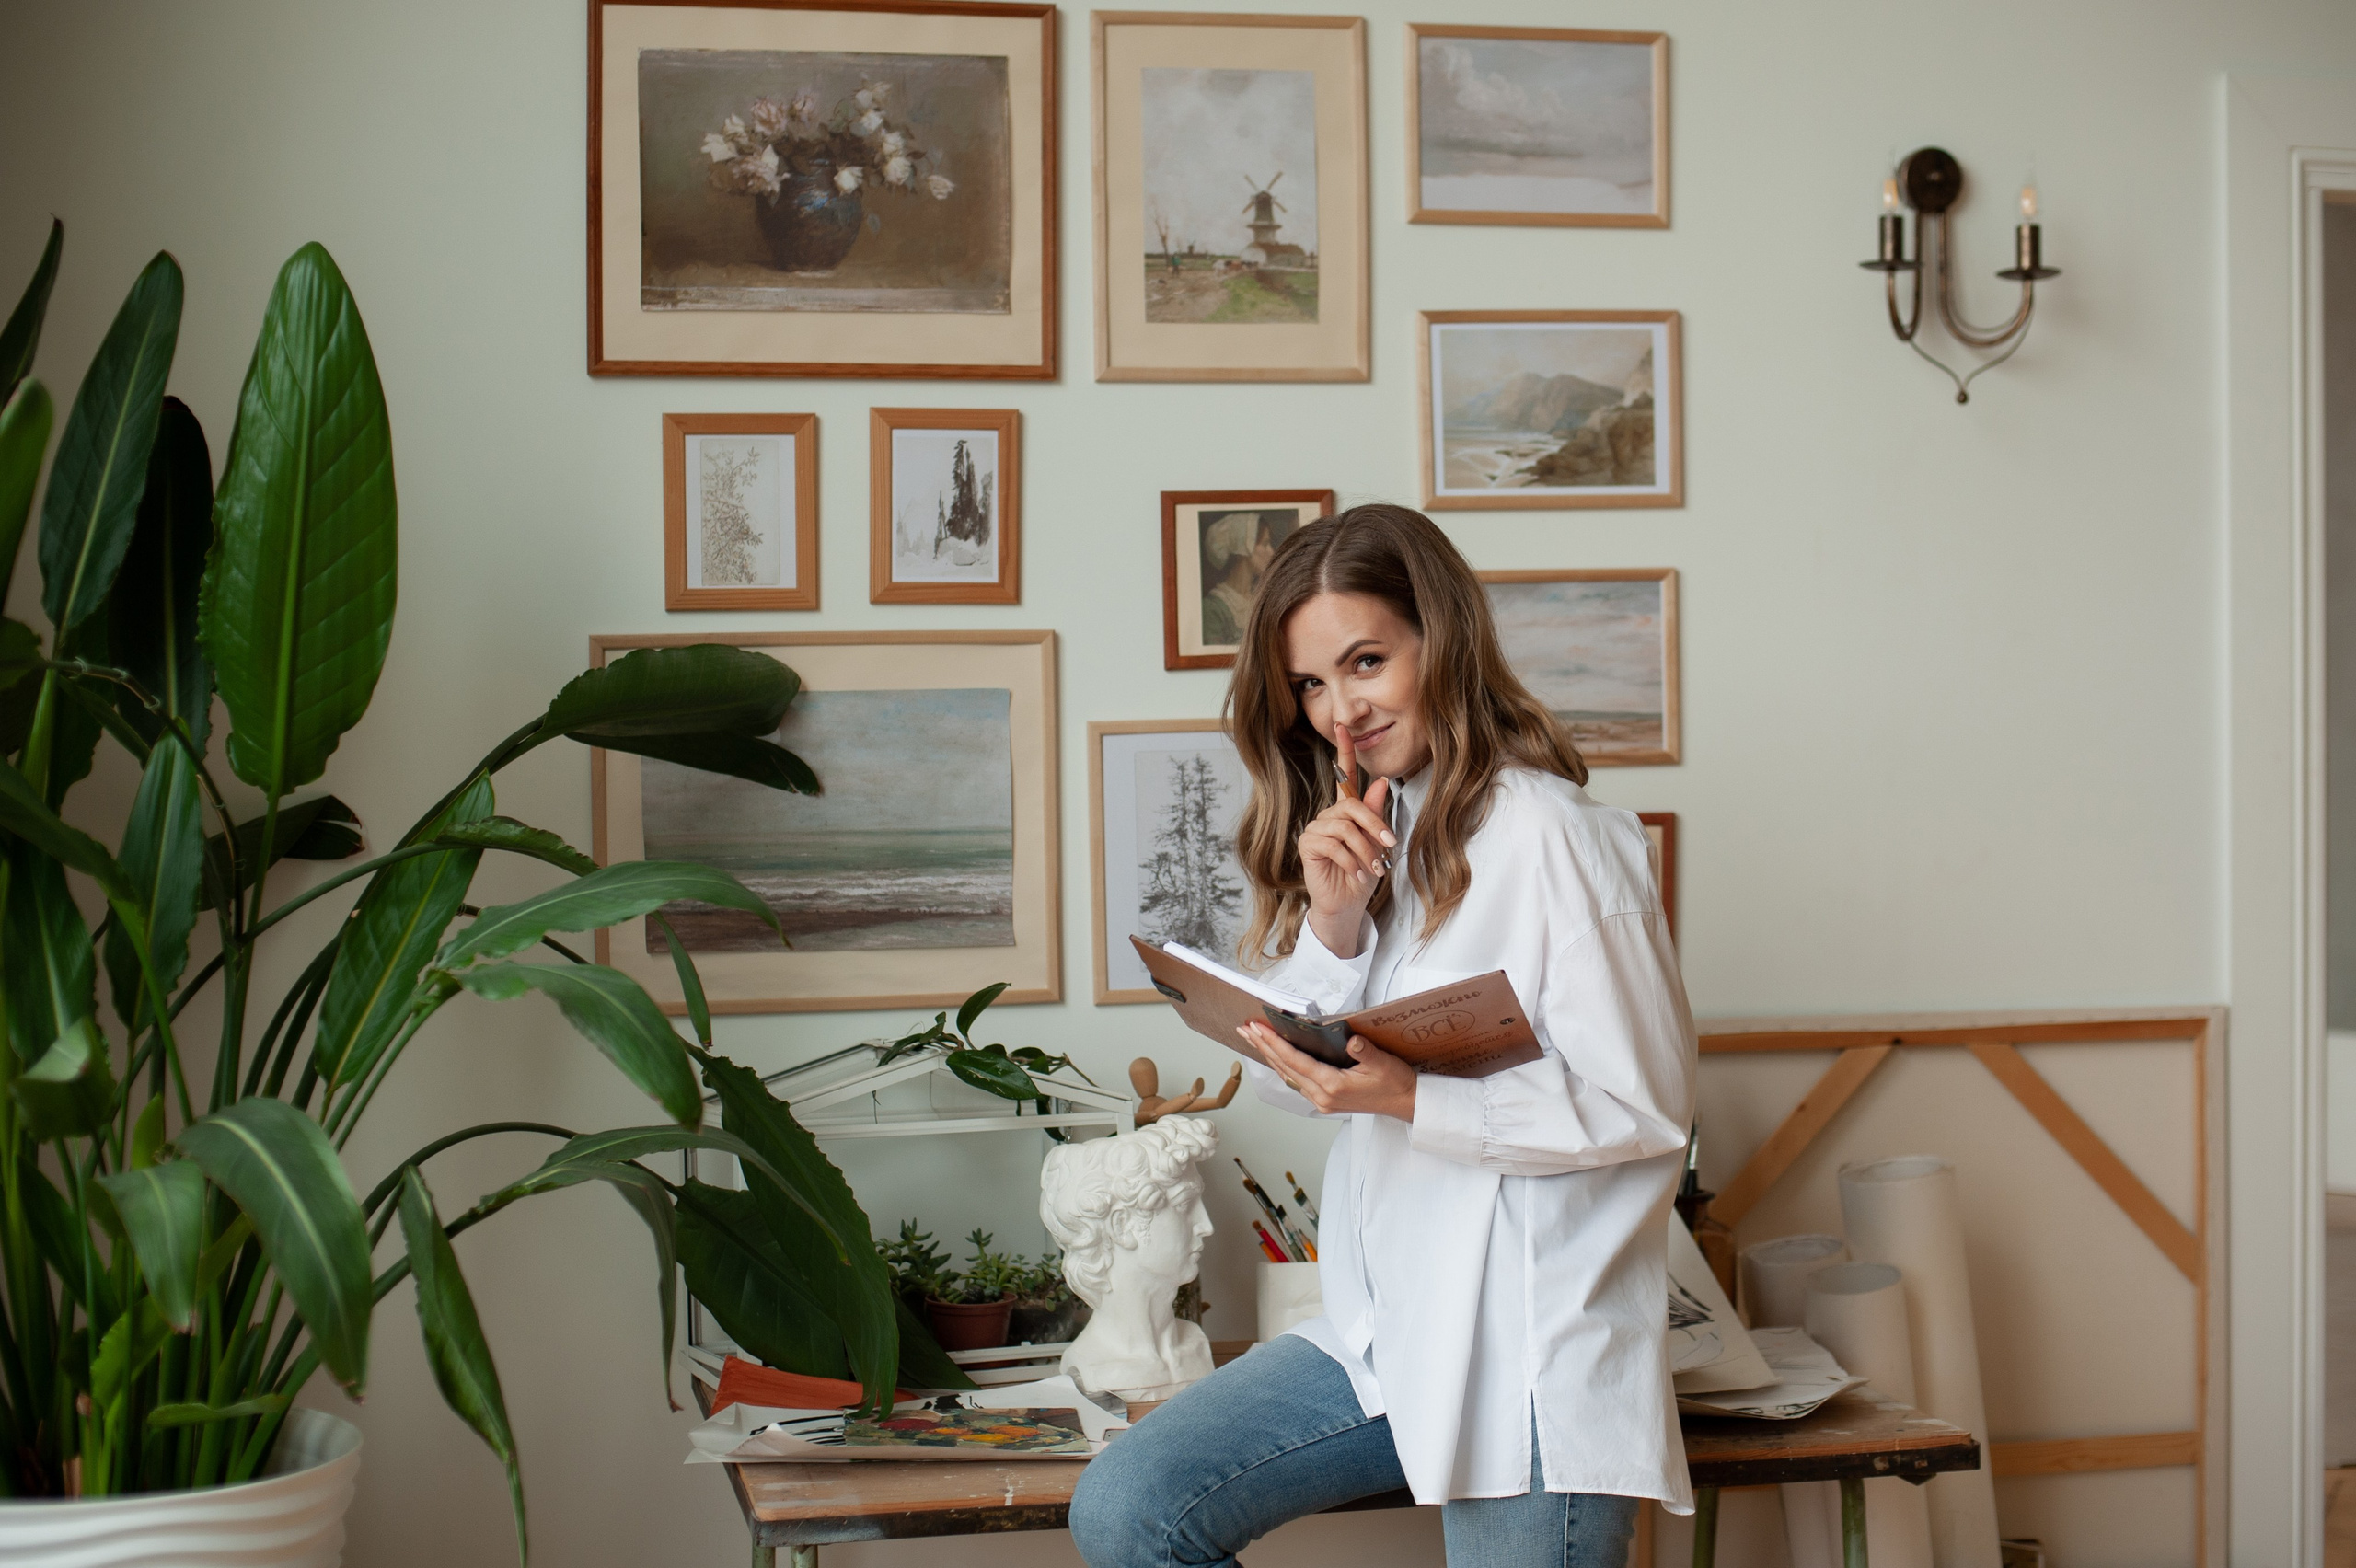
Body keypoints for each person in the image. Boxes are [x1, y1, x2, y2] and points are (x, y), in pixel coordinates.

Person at [1069, 504, 1698, 1568]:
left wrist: (1413, 1097)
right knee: (1130, 1507)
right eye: (1311, 684)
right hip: (1382, 1338)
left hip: (1531, 1362)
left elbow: (1643, 1110)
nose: (1339, 712)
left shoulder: (1559, 839)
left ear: (1440, 642)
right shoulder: (1377, 834)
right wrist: (1334, 920)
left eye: (1365, 662)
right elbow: (1288, 1088)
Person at [1198, 511, 1279, 648]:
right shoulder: (1213, 608)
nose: (1272, 552)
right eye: (1265, 544)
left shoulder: (1263, 600)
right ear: (1242, 549)